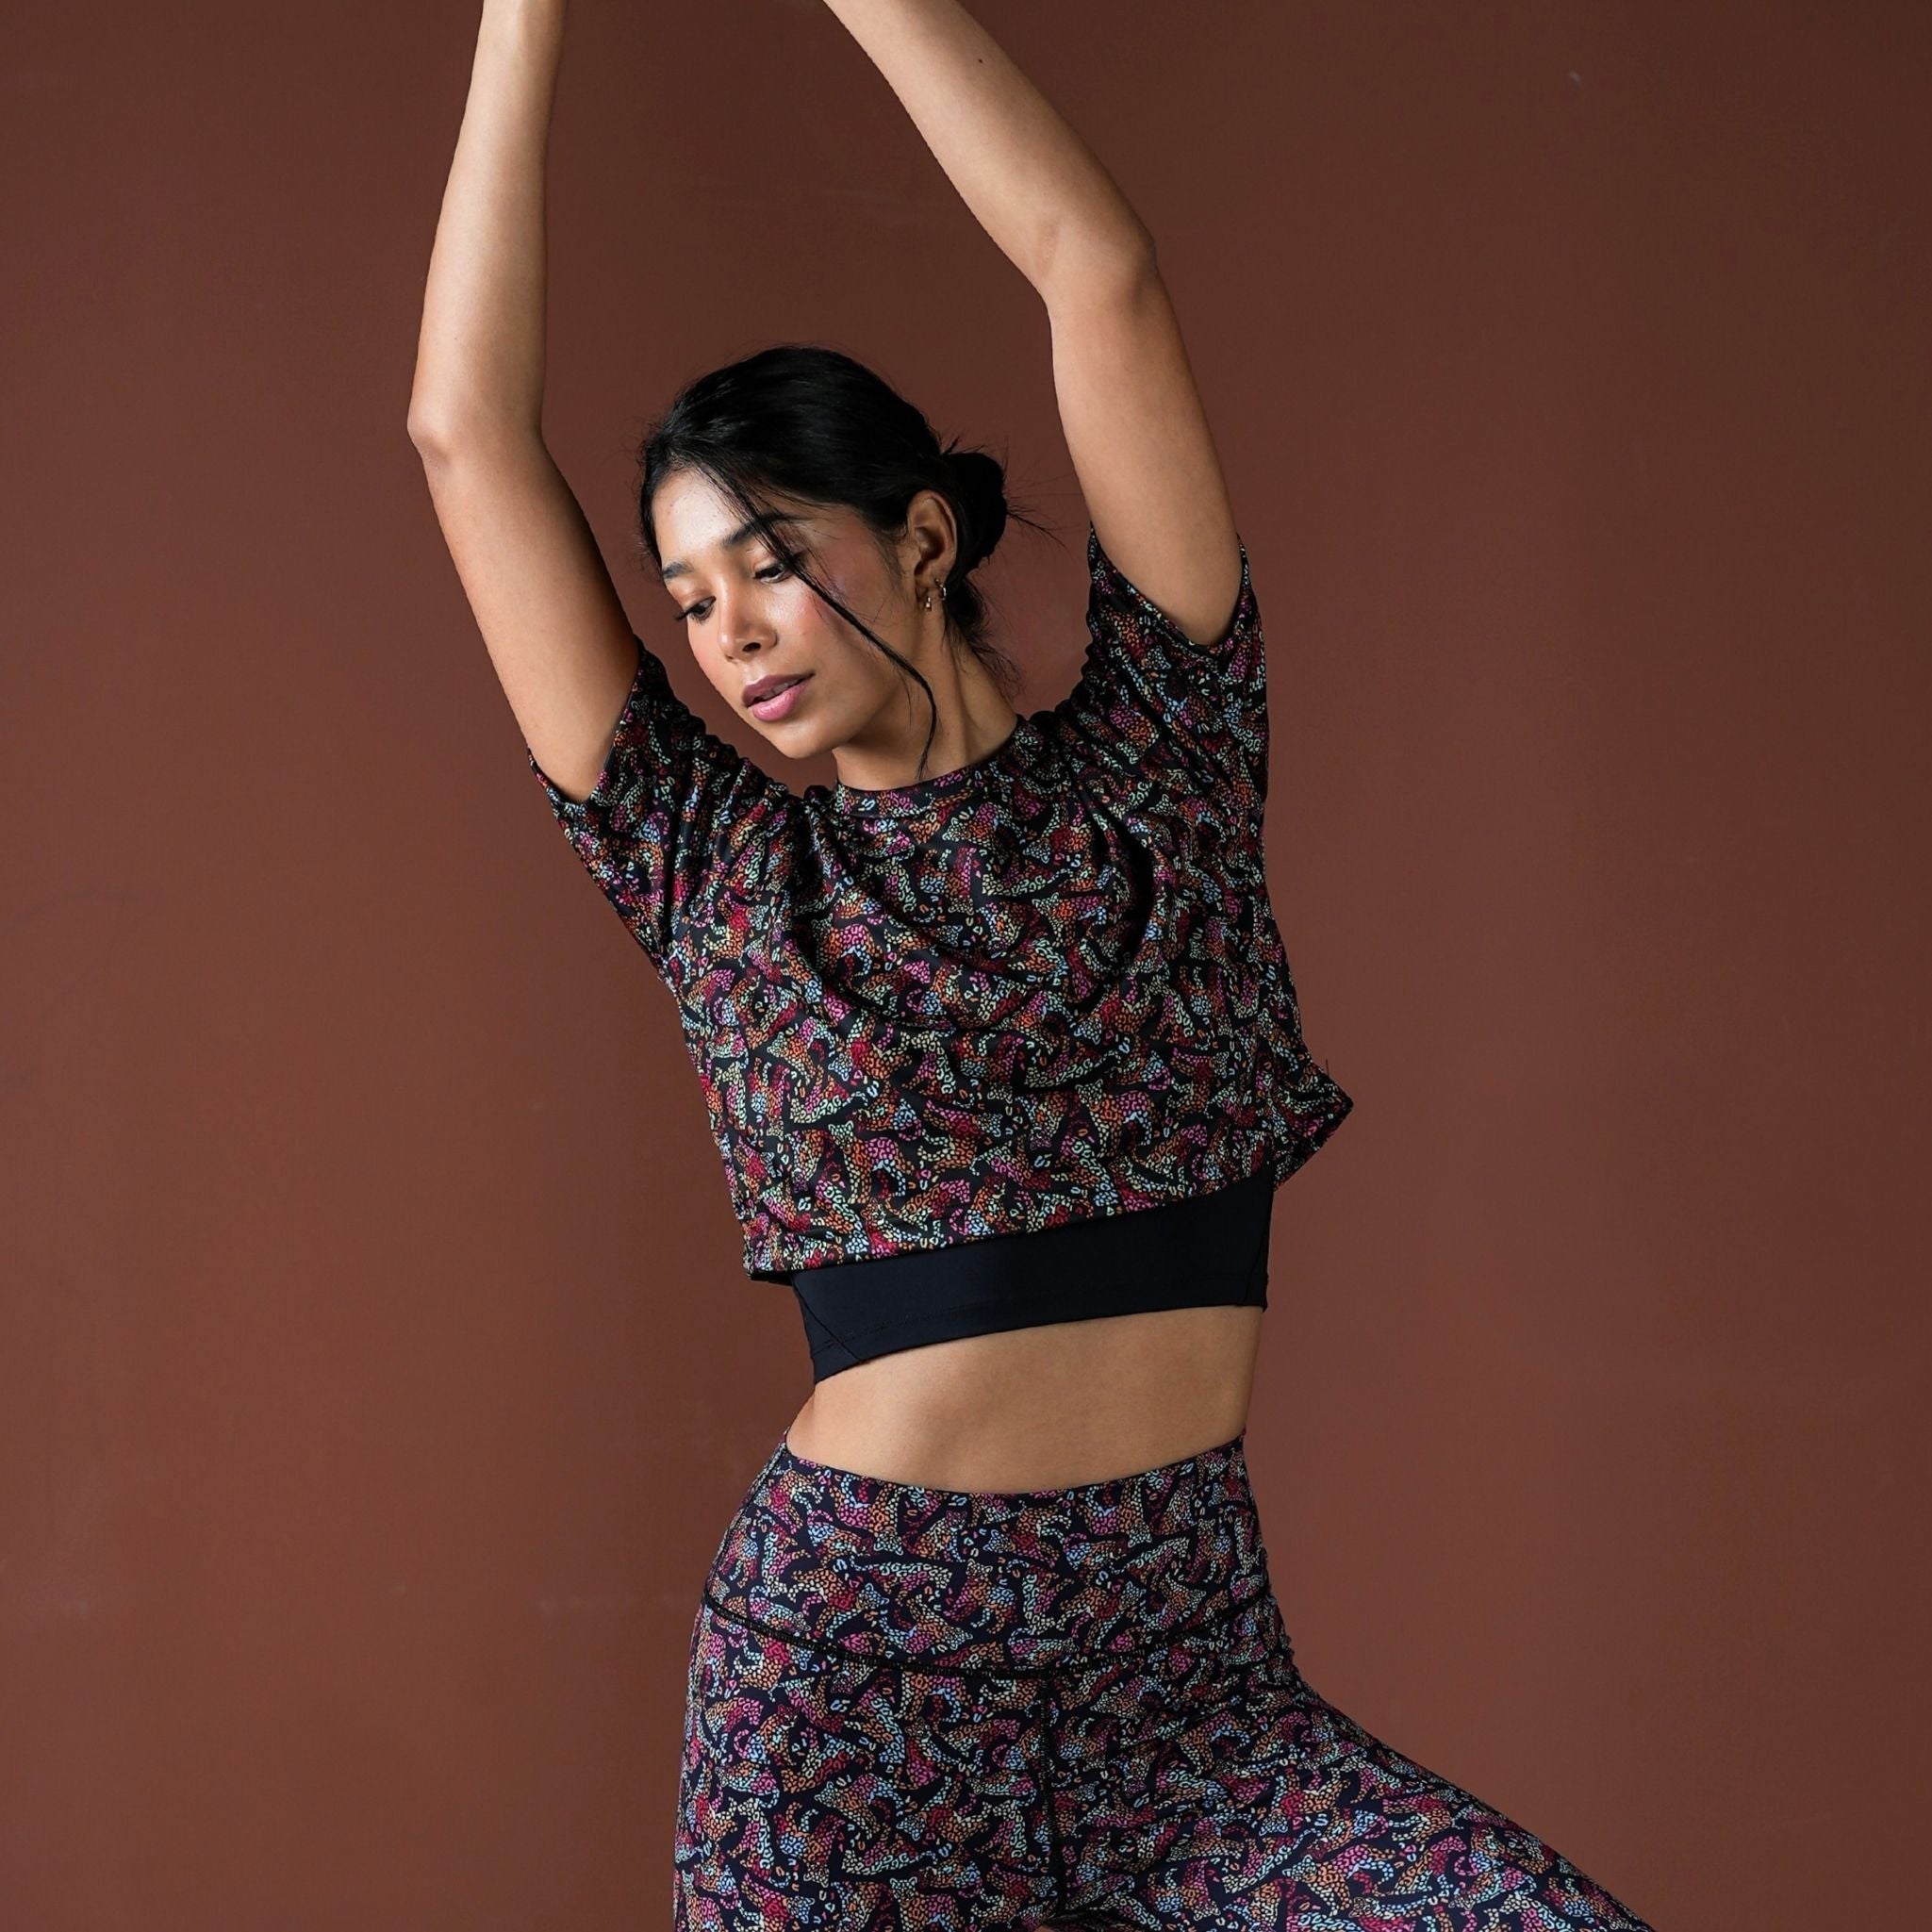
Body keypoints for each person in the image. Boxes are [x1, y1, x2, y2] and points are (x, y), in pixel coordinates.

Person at [407, 3, 1654, 1925]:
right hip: (847, 1701)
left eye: (767, 557)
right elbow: (462, 435)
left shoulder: (1169, 753)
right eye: (686, 596)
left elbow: (1102, 271)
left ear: (918, 534)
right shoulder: (712, 861)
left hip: (1189, 1695)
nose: (727, 631)